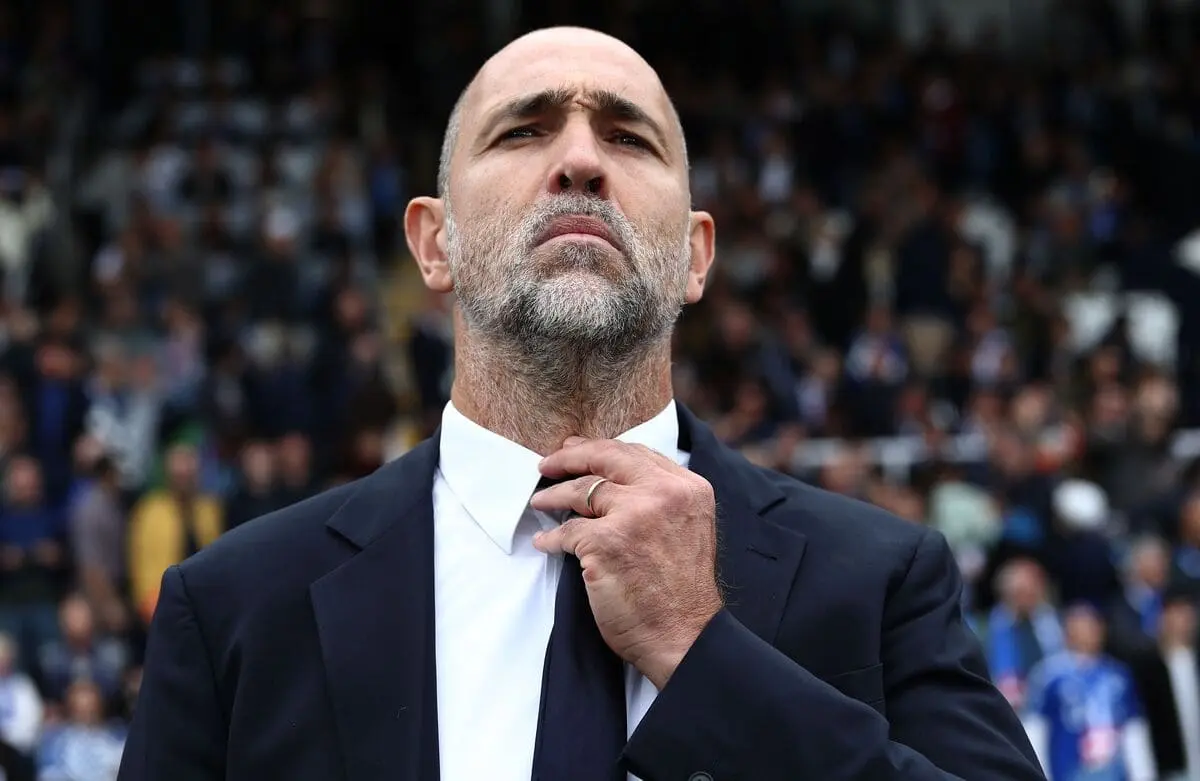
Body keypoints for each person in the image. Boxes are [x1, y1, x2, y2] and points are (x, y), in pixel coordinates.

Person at [118, 27, 1044, 781]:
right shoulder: (237, 607)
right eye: (523, 131)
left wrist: (702, 651)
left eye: (629, 138)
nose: (579, 160)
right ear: (432, 244)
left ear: (695, 257)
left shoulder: (880, 578)